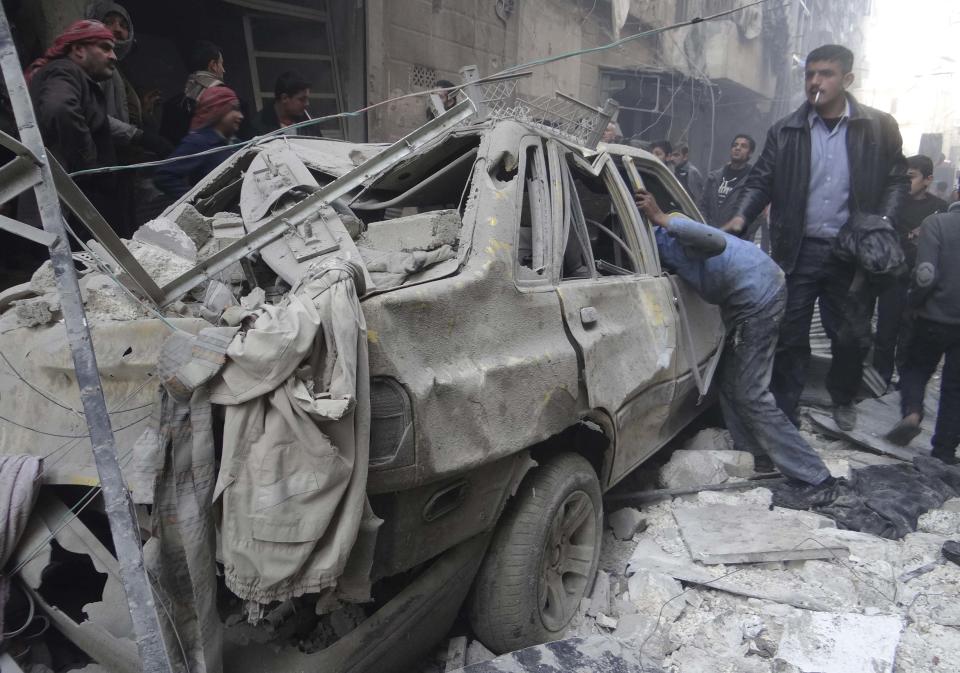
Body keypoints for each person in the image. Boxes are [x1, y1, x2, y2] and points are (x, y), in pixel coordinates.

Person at [723, 44, 909, 431]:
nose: (814, 82)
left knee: (850, 336)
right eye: (809, 74)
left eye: (825, 74)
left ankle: (843, 397)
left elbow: (896, 178)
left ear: (847, 79)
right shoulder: (786, 130)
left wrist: (884, 221)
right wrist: (741, 216)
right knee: (790, 335)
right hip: (799, 249)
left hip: (851, 252)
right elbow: (761, 180)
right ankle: (786, 411)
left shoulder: (877, 127)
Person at [634, 188, 835, 493]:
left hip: (759, 298)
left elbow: (715, 241)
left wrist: (661, 217)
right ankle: (753, 454)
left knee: (751, 393)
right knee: (731, 384)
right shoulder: (655, 246)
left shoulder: (668, 229)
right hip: (757, 293)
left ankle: (813, 474)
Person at [26, 20, 126, 230]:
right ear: (79, 50)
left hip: (71, 199)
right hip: (66, 200)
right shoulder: (64, 71)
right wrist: (89, 167)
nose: (113, 56)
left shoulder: (76, 77)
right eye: (105, 48)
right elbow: (60, 108)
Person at [885, 206, 960, 464]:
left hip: (933, 317)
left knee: (915, 368)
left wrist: (914, 303)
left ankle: (913, 412)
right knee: (955, 387)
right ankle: (944, 451)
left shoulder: (936, 223)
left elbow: (926, 274)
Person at [873, 155, 947, 387]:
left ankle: (905, 384)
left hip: (922, 282)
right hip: (892, 277)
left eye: (912, 177)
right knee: (886, 332)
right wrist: (911, 236)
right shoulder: (893, 205)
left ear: (928, 180)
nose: (907, 183)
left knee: (911, 334)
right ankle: (879, 381)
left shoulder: (939, 209)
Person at [155, 86, 243, 199]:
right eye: (234, 109)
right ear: (218, 111)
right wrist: (195, 201)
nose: (240, 116)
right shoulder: (199, 143)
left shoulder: (235, 143)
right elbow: (164, 176)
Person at [160, 40, 225, 145]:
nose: (223, 70)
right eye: (221, 64)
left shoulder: (171, 107)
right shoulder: (229, 104)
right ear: (213, 65)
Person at [699, 134, 756, 229]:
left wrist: (740, 234)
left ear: (750, 153)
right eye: (735, 145)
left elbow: (756, 216)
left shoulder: (753, 180)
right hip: (709, 235)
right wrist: (704, 227)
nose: (737, 148)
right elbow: (702, 205)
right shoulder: (714, 177)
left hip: (736, 240)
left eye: (743, 146)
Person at [257, 71, 311, 136]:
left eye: (307, 99)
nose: (307, 103)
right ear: (284, 98)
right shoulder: (259, 126)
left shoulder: (309, 122)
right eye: (302, 99)